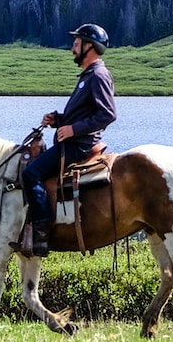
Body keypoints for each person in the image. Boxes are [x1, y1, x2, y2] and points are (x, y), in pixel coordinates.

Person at [21, 23, 116, 257]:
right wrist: (59, 120)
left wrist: (73, 130)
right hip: (74, 141)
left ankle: (41, 232)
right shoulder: (88, 75)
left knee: (30, 173)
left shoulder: (98, 76)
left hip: (78, 146)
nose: (72, 48)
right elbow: (85, 112)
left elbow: (108, 114)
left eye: (76, 43)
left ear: (89, 46)